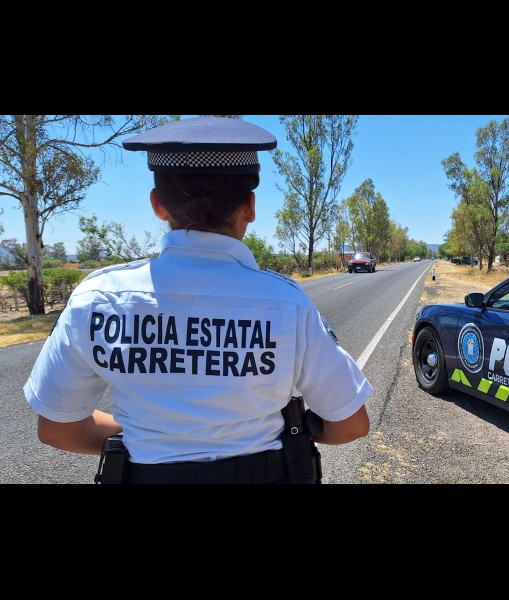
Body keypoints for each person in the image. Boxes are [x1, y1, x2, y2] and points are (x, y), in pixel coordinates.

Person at [23, 116, 372, 484]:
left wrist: (152, 439)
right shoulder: (288, 303)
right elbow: (350, 424)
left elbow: (58, 428)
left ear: (158, 205)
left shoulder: (95, 298)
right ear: (250, 207)